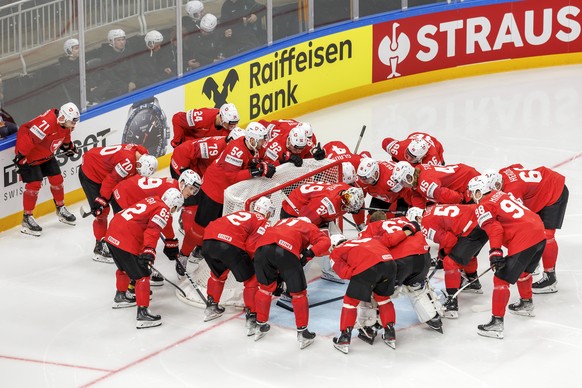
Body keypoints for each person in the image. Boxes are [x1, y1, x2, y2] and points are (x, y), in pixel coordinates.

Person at [467, 175, 546, 339]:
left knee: (500, 279)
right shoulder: (502, 194)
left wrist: (495, 252)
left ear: (480, 191)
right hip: (539, 231)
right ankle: (526, 303)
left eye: (473, 192)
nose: (471, 196)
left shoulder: (483, 205)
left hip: (524, 237)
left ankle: (496, 324)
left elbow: (494, 229)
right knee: (523, 271)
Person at [329, 220, 423, 353]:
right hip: (390, 265)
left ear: (333, 245)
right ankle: (390, 334)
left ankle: (344, 338)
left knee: (350, 302)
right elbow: (393, 238)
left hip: (368, 268)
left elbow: (345, 273)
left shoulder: (336, 251)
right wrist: (409, 229)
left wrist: (363, 278)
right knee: (383, 299)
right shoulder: (367, 240)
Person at [356, 208, 442, 341]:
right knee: (417, 287)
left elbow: (365, 252)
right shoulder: (404, 220)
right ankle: (433, 316)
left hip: (400, 262)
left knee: (376, 291)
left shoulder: (368, 230)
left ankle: (371, 325)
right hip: (423, 259)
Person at [105, 187, 184, 329]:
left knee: (123, 268)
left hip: (112, 233)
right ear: (173, 205)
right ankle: (143, 314)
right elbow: (153, 230)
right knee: (143, 276)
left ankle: (121, 296)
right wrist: (149, 251)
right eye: (175, 208)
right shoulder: (164, 210)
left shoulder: (153, 200)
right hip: (125, 238)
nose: (173, 212)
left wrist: (170, 240)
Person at [485, 164, 568, 294]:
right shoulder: (502, 173)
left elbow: (522, 218)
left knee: (547, 235)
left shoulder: (512, 190)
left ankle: (550, 278)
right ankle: (534, 263)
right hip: (542, 189)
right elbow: (518, 166)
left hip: (554, 190)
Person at [252, 216, 331, 349]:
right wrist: (309, 254)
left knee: (264, 289)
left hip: (261, 249)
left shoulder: (282, 222)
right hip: (285, 250)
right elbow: (326, 242)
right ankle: (302, 332)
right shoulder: (308, 226)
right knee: (299, 294)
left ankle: (260, 325)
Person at [201, 196, 275, 332]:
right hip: (229, 245)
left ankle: (211, 306)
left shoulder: (238, 213)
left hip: (207, 242)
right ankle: (252, 318)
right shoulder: (262, 221)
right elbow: (251, 246)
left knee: (218, 273)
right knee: (252, 279)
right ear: (268, 212)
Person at [110, 169, 201, 279]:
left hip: (125, 191)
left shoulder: (173, 186)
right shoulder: (172, 191)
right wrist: (170, 240)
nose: (191, 193)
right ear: (182, 183)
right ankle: (141, 269)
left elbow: (165, 216)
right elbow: (164, 218)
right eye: (191, 188)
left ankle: (139, 264)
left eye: (194, 191)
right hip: (125, 196)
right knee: (138, 232)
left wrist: (170, 240)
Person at [79, 144, 158, 263]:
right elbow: (110, 180)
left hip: (107, 171)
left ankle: (120, 239)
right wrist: (102, 199)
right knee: (102, 212)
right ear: (138, 164)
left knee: (123, 207)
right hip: (92, 172)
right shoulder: (128, 163)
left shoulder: (142, 154)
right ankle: (99, 247)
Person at [13, 102, 80, 236]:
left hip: (46, 152)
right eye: (72, 122)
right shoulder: (46, 123)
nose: (73, 125)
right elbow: (29, 139)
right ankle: (27, 218)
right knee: (34, 185)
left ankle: (60, 208)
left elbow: (65, 135)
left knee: (57, 179)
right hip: (31, 154)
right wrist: (21, 157)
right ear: (62, 118)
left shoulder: (66, 123)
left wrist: (68, 147)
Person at [194, 122, 274, 230]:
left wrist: (264, 166)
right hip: (213, 188)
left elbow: (264, 161)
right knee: (203, 225)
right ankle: (196, 244)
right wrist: (256, 171)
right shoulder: (236, 150)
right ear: (252, 140)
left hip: (227, 191)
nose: (263, 142)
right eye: (261, 140)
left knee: (217, 224)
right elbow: (232, 177)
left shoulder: (256, 147)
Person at [420, 204, 489, 318]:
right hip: (482, 221)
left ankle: (451, 304)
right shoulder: (434, 209)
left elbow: (450, 241)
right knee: (468, 254)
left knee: (450, 262)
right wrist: (441, 254)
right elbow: (449, 233)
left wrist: (444, 256)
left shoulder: (425, 223)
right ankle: (473, 281)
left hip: (472, 228)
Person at [391, 161, 480, 208]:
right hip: (464, 174)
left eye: (404, 181)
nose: (404, 185)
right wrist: (418, 213)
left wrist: (461, 199)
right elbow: (417, 196)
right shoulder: (418, 170)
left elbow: (444, 194)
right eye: (402, 183)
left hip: (467, 182)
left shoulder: (424, 184)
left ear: (409, 174)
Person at [90, 29, 138, 101]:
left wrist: (132, 81)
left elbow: (133, 67)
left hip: (128, 82)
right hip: (115, 85)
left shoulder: (127, 51)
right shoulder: (106, 56)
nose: (122, 42)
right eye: (118, 40)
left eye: (123, 39)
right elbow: (110, 76)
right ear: (111, 41)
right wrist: (125, 86)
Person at [170, 102, 239, 148]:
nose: (233, 127)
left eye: (235, 122)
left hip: (203, 149)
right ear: (221, 118)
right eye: (230, 124)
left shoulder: (229, 130)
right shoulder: (202, 117)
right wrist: (177, 142)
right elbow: (177, 118)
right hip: (189, 145)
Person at [58, 38, 82, 107]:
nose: (79, 50)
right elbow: (69, 85)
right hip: (76, 95)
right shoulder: (64, 67)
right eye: (76, 48)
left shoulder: (81, 61)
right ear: (69, 51)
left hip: (87, 90)